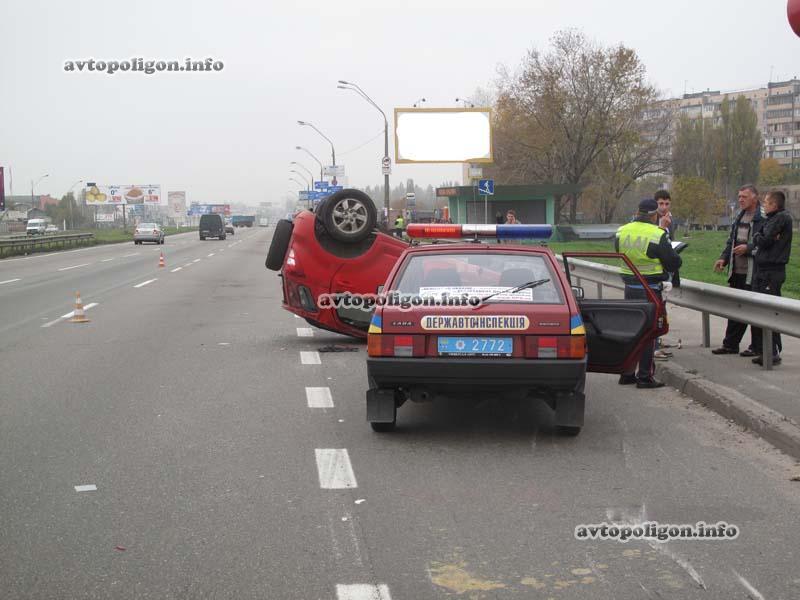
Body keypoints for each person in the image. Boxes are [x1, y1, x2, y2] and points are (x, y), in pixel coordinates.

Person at [615, 198, 682, 388]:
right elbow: (672, 262)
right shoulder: (657, 233)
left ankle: (627, 373)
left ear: (637, 211)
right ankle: (645, 377)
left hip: (629, 287)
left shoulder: (622, 230)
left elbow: (619, 251)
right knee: (649, 333)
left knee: (633, 331)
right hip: (650, 289)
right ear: (654, 215)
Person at [711, 184, 765, 356]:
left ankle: (757, 347)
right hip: (737, 272)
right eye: (739, 196)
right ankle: (730, 344)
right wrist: (724, 258)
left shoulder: (763, 218)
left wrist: (748, 249)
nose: (741, 199)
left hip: (754, 273)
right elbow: (731, 242)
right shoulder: (739, 216)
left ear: (755, 197)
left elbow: (766, 244)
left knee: (754, 311)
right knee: (735, 310)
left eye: (745, 196)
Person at [748, 190, 793, 365]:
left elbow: (764, 239)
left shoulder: (782, 218)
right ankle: (766, 350)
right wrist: (762, 236)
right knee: (761, 310)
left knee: (770, 311)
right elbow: (760, 236)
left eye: (766, 202)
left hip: (772, 271)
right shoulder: (770, 219)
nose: (764, 205)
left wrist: (762, 237)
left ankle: (773, 351)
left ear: (774, 204)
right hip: (762, 270)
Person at [653, 189, 678, 360]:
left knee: (662, 308)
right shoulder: (651, 220)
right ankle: (653, 346)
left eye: (667, 203)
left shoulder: (671, 220)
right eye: (661, 203)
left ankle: (657, 341)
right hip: (654, 270)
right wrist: (661, 228)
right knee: (656, 309)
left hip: (667, 270)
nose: (664, 207)